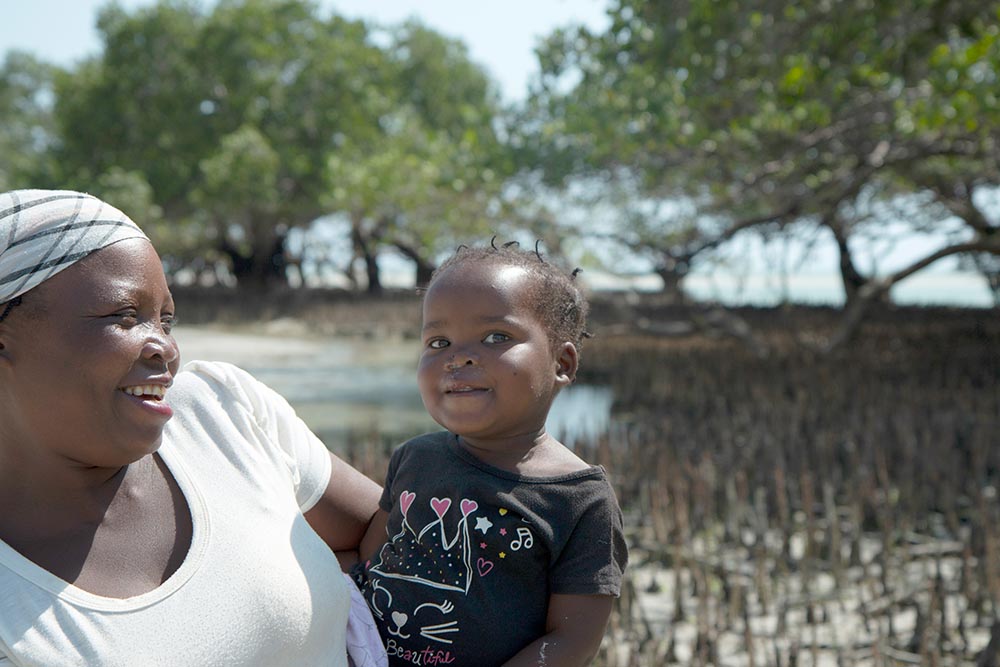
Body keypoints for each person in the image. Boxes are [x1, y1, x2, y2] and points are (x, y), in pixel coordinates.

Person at [0, 189, 386, 666]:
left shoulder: (221, 410)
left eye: (166, 320)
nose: (165, 348)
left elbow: (393, 534)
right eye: (125, 315)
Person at [353, 242, 629, 666]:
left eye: (496, 337)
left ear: (563, 363)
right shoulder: (415, 456)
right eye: (438, 341)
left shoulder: (580, 499)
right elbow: (370, 559)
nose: (458, 357)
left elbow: (572, 640)